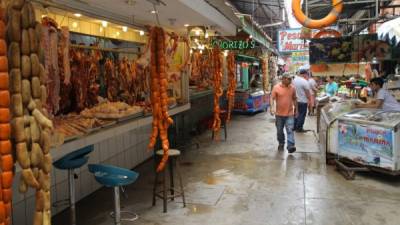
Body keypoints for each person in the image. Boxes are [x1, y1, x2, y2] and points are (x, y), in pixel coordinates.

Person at [270, 73, 297, 153]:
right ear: (283, 79)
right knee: (279, 131)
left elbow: (295, 99)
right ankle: (281, 143)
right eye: (289, 79)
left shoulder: (292, 88)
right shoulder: (276, 87)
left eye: (291, 79)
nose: (290, 80)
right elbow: (272, 98)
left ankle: (290, 145)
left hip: (289, 114)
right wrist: (271, 107)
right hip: (279, 114)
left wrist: (297, 109)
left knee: (290, 130)